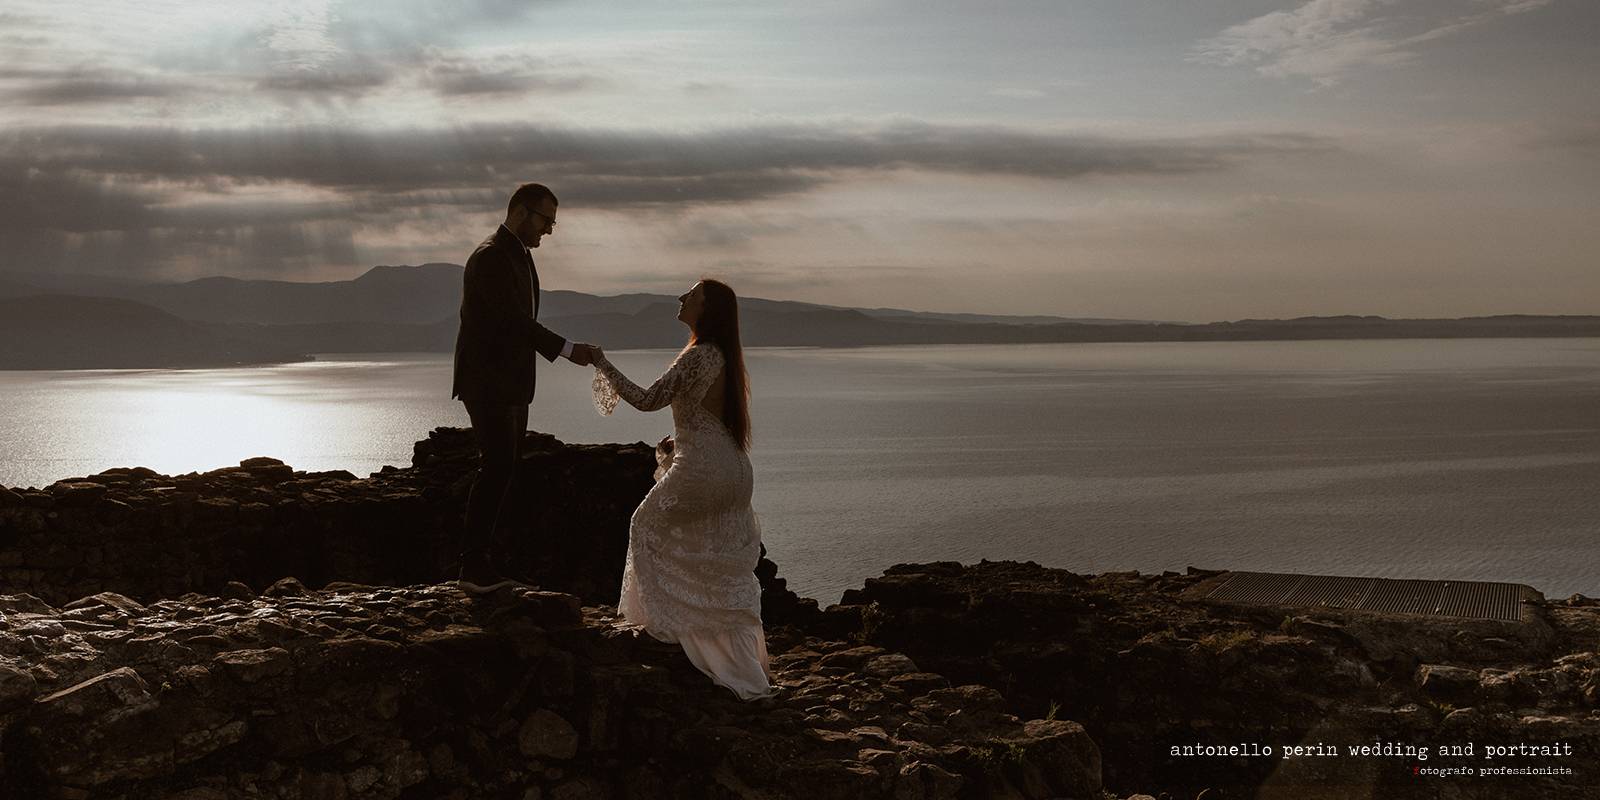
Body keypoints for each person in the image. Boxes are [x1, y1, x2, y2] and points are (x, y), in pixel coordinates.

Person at [589, 279, 774, 700]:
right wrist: (676, 442)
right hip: (735, 470)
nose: (681, 299)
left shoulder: (698, 355)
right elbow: (705, 419)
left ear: (706, 308)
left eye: (690, 295)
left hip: (705, 468)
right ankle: (725, 646)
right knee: (712, 556)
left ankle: (666, 629)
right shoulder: (723, 356)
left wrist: (602, 362)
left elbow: (647, 398)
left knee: (644, 526)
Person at [450, 182, 597, 595]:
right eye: (546, 220)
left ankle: (483, 563)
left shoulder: (518, 255)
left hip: (509, 383)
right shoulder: (492, 256)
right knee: (496, 466)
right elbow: (514, 322)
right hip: (488, 381)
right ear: (521, 212)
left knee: (505, 468)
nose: (549, 230)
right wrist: (569, 350)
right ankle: (473, 566)